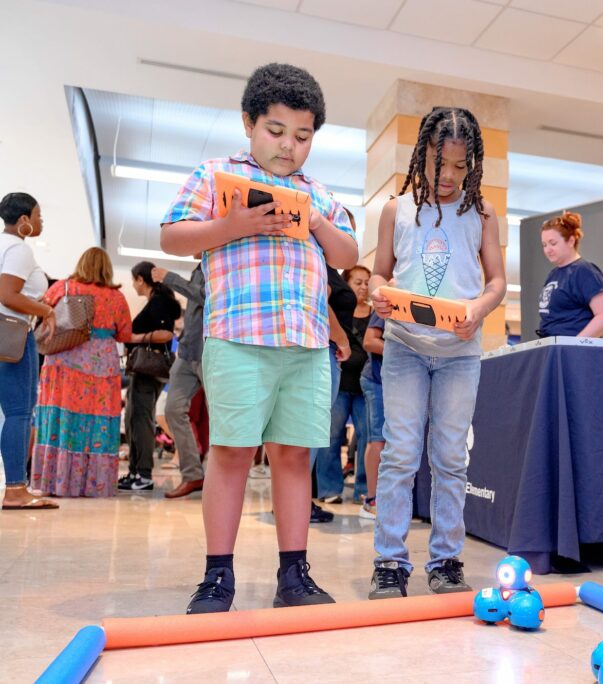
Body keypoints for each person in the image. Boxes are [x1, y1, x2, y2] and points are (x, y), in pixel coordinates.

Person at [160, 63, 357, 613]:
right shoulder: (215, 174)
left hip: (306, 345)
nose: (288, 146)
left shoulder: (321, 194)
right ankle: (217, 576)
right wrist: (233, 226)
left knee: (294, 456)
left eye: (302, 136)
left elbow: (347, 257)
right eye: (275, 130)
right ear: (249, 122)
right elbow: (173, 235)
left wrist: (317, 223)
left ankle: (295, 574)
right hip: (238, 337)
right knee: (232, 453)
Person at [368, 106, 506, 599]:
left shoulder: (483, 213)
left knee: (450, 457)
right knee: (400, 454)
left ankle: (446, 560)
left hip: (460, 353)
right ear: (421, 154)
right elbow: (381, 273)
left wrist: (479, 307)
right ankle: (389, 562)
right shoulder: (396, 209)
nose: (447, 176)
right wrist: (377, 293)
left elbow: (497, 282)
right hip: (404, 346)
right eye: (437, 163)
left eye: (459, 167)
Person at [31, 247, 139, 497]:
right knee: (96, 423)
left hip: (63, 361)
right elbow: (124, 333)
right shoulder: (116, 297)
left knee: (61, 418)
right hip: (101, 365)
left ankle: (53, 482)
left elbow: (41, 313)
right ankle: (93, 484)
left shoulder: (62, 288)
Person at [0, 193, 57, 510]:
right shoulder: (18, 248)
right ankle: (15, 489)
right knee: (19, 411)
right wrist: (46, 311)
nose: (40, 221)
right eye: (37, 215)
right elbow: (7, 295)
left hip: (14, 331)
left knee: (17, 411)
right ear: (23, 221)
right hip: (12, 332)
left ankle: (16, 486)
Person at [117, 261, 181, 492]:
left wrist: (135, 338)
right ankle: (135, 471)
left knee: (141, 419)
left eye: (134, 280)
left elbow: (165, 334)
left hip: (148, 369)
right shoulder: (157, 302)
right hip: (145, 369)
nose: (133, 286)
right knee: (133, 418)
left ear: (140, 280)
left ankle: (143, 473)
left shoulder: (159, 302)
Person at [313, 264, 371, 505]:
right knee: (330, 436)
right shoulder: (336, 306)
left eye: (367, 282)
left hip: (364, 385)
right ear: (346, 284)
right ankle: (329, 489)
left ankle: (365, 490)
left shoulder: (374, 313)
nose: (364, 287)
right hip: (339, 380)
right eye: (358, 282)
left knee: (368, 436)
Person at [152, 263, 208, 499]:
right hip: (188, 352)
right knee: (172, 410)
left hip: (211, 350)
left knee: (219, 417)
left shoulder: (221, 259)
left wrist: (170, 278)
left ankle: (219, 479)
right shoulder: (200, 266)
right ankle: (193, 474)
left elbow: (207, 296)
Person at [536, 211, 603, 338]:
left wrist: (575, 345)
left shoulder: (584, 271)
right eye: (544, 245)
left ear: (571, 241)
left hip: (573, 351)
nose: (547, 250)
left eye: (553, 243)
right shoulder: (553, 275)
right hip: (553, 348)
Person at [358, 311, 385, 520]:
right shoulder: (389, 301)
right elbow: (369, 341)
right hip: (376, 380)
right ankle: (371, 500)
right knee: (377, 440)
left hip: (393, 381)